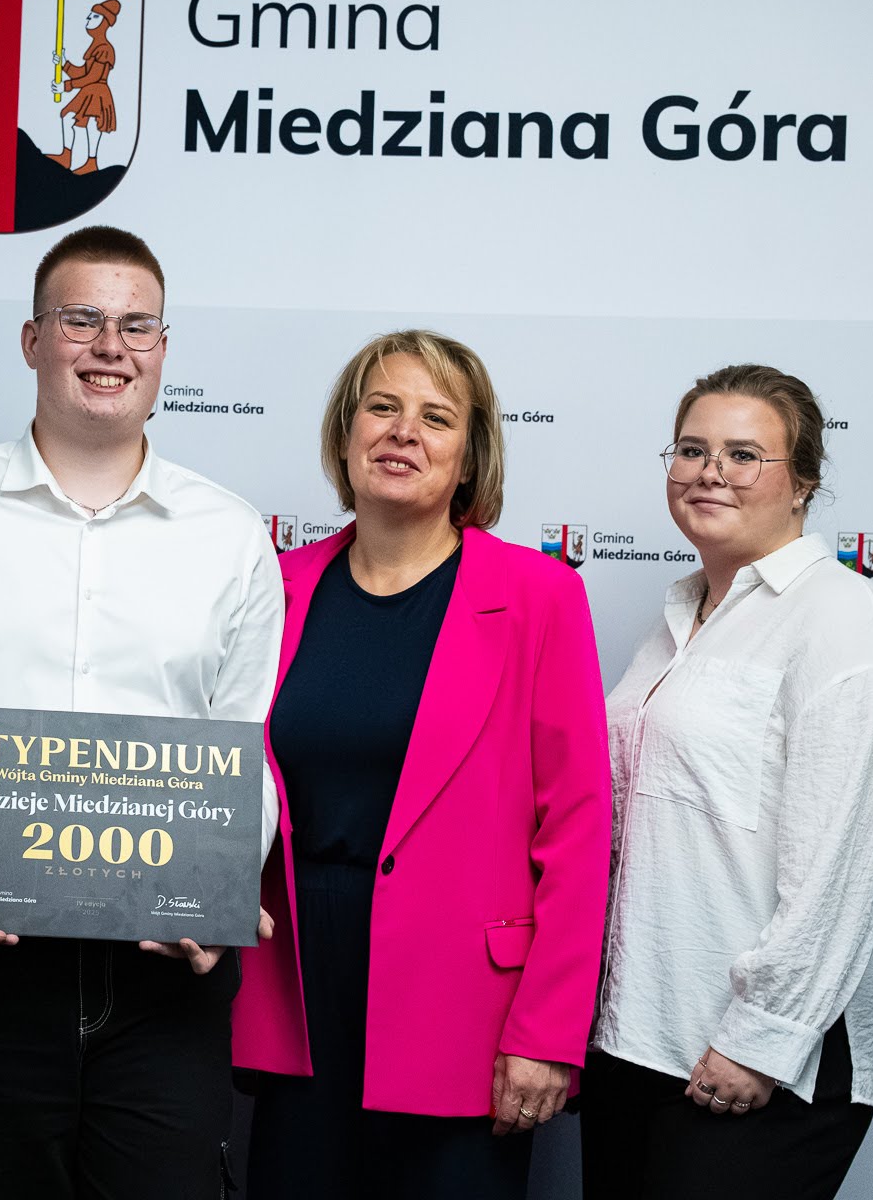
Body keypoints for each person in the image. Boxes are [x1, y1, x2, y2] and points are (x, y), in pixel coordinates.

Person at [0, 224, 283, 1197]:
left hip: (163, 980)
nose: (109, 345)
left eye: (136, 325)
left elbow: (243, 750)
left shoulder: (231, 535)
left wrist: (222, 881)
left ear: (163, 348)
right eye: (81, 319)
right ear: (33, 339)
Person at [232, 330, 611, 1199]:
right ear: (346, 434)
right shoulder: (272, 586)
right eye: (382, 408)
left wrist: (547, 1033)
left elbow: (579, 827)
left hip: (464, 1008)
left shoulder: (539, 597)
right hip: (296, 990)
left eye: (436, 418)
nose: (403, 431)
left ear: (470, 458)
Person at [581, 364, 873, 1199]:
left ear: (802, 483)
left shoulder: (842, 618)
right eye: (692, 450)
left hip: (754, 1061)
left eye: (743, 455)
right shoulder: (675, 622)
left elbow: (841, 863)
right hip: (638, 1040)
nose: (710, 472)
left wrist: (764, 1037)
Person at [48, 0, 119, 174]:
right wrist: (65, 64)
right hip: (88, 90)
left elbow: (93, 76)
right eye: (90, 15)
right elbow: (83, 72)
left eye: (95, 16)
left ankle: (91, 162)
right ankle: (66, 156)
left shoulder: (105, 48)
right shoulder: (95, 45)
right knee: (67, 117)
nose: (88, 18)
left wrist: (66, 86)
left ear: (104, 22)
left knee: (93, 125)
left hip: (97, 91)